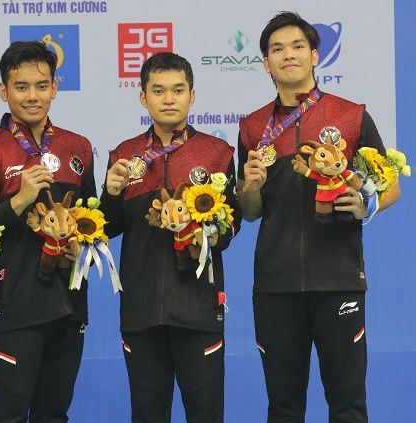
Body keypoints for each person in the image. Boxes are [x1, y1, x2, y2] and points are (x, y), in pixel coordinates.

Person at [237, 11, 401, 422]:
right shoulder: (253, 127)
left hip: (339, 281)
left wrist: (366, 205)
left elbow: (391, 186)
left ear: (315, 55)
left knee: (347, 406)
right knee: (284, 409)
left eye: (297, 47)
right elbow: (252, 214)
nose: (287, 55)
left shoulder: (351, 116)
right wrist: (249, 189)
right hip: (276, 286)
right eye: (277, 49)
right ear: (265, 63)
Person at [0, 41, 96, 422]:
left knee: (54, 415)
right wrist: (20, 199)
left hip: (69, 303)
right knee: (9, 415)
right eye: (21, 87)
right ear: (4, 91)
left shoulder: (78, 147)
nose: (32, 96)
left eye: (41, 85)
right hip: (14, 305)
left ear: (54, 88)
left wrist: (81, 245)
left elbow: (92, 221)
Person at [100, 52, 241, 423]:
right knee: (147, 415)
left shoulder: (217, 154)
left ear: (192, 95)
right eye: (158, 90)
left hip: (198, 310)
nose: (168, 99)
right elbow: (107, 228)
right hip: (141, 312)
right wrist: (111, 193)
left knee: (206, 415)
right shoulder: (125, 155)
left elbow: (230, 229)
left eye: (178, 90)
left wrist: (198, 230)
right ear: (143, 97)